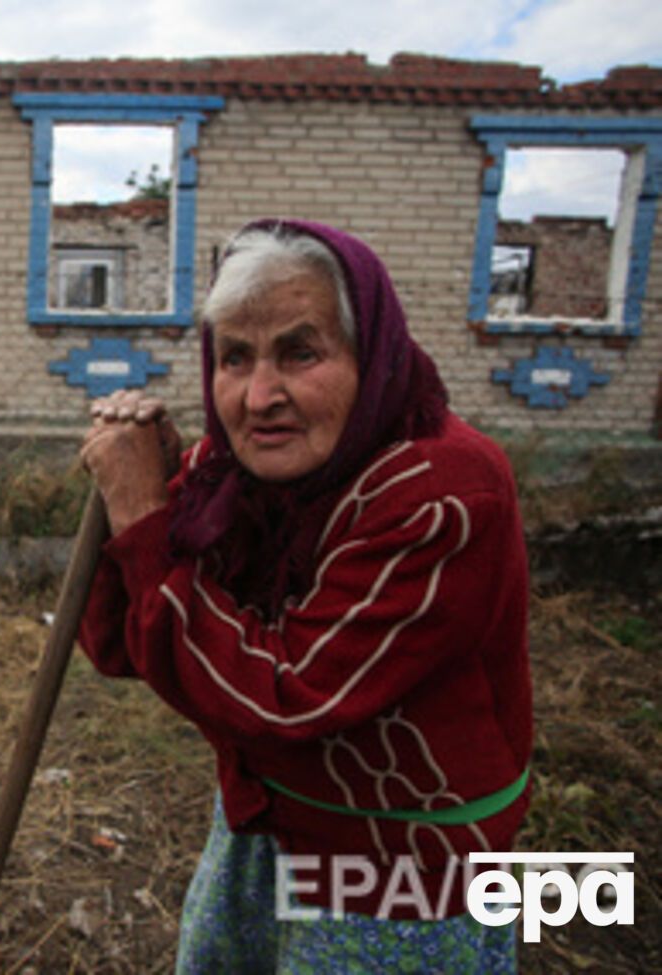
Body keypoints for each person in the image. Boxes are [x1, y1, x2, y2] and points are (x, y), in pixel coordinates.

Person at [78, 219, 532, 973]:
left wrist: (143, 514)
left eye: (300, 351)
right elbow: (124, 640)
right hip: (264, 825)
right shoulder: (241, 476)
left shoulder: (444, 494)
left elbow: (286, 697)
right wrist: (153, 493)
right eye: (234, 358)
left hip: (401, 867)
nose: (259, 396)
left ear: (371, 353)